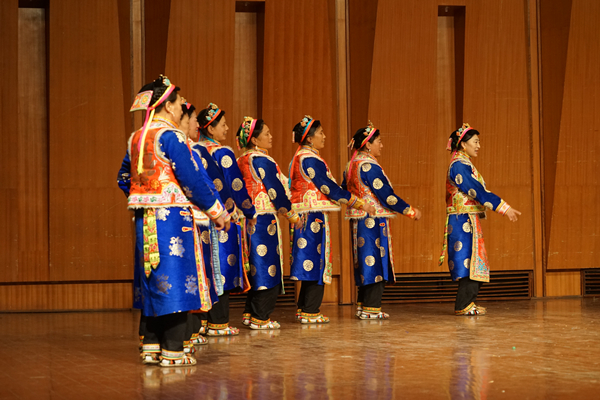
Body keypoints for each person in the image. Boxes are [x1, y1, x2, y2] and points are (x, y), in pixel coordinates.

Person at [118, 76, 229, 367]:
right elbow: (191, 179)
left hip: (145, 218)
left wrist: (145, 195)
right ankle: (173, 350)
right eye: (179, 102)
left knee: (153, 277)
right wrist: (217, 212)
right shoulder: (172, 136)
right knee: (177, 279)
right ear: (167, 105)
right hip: (172, 219)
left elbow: (123, 178)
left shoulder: (138, 137)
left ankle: (151, 345)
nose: (182, 107)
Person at [289, 115, 375, 324]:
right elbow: (328, 187)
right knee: (314, 260)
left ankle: (305, 308)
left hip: (308, 214)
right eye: (320, 133)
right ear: (309, 138)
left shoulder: (304, 156)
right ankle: (310, 310)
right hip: (312, 216)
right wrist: (358, 202)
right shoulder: (309, 159)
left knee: (311, 260)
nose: (324, 136)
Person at [439, 123, 521, 316]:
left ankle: (468, 303)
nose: (478, 146)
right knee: (467, 260)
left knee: (474, 259)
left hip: (467, 219)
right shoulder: (458, 165)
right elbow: (477, 191)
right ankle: (463, 304)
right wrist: (503, 208)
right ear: (463, 144)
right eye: (475, 142)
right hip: (462, 220)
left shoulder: (464, 163)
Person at [342, 122, 421, 319]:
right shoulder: (368, 166)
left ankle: (363, 305)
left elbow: (343, 189)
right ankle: (371, 307)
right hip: (372, 219)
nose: (382, 145)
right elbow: (386, 195)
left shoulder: (352, 164)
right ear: (368, 145)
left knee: (364, 260)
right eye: (379, 141)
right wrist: (409, 211)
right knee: (374, 260)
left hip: (359, 219)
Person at [192, 103, 257, 336]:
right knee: (223, 267)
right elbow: (235, 186)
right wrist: (249, 212)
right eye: (223, 125)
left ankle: (202, 323)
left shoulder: (193, 150)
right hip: (222, 217)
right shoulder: (222, 153)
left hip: (198, 218)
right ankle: (218, 323)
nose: (228, 129)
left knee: (205, 268)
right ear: (210, 129)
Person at [236, 116, 302, 329]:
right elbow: (276, 189)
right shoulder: (261, 160)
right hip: (263, 219)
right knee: (266, 265)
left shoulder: (242, 159)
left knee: (256, 264)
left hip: (248, 217)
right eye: (266, 133)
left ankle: (250, 312)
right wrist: (290, 213)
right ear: (255, 140)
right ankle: (260, 316)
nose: (271, 137)